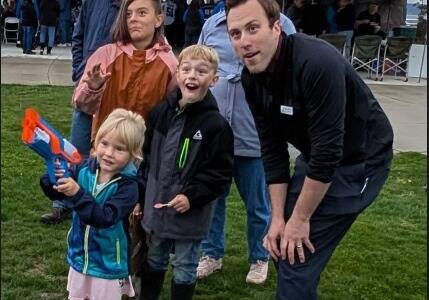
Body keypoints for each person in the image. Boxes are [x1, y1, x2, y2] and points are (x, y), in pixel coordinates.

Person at [225, 0, 393, 299]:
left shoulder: (316, 62)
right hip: (317, 157)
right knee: (280, 245)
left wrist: (300, 220)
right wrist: (278, 219)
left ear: (276, 27)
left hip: (361, 159)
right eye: (235, 34)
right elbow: (272, 149)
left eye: (253, 28)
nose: (244, 42)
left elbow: (330, 152)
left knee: (295, 257)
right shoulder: (251, 77)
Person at [195, 9, 296, 284]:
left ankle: (259, 257)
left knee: (259, 204)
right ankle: (211, 254)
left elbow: (289, 72)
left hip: (254, 134)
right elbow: (200, 65)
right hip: (215, 136)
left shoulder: (280, 24)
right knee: (213, 200)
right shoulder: (211, 25)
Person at [134, 44, 234, 300]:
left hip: (190, 216)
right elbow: (146, 161)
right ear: (177, 74)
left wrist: (192, 196)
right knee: (154, 258)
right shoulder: (159, 114)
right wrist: (140, 197)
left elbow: (219, 175)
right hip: (157, 209)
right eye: (186, 69)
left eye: (201, 71)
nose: (192, 76)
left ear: (214, 79)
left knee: (185, 266)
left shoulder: (216, 126)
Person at [39, 108, 147, 300]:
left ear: (133, 154)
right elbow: (58, 193)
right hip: (80, 256)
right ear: (96, 142)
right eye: (104, 143)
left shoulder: (128, 187)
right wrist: (53, 177)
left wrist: (77, 194)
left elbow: (105, 217)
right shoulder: (83, 169)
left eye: (119, 149)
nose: (108, 153)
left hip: (108, 264)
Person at [40, 0, 122, 224]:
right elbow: (78, 37)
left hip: (116, 92)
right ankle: (63, 202)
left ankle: (98, 203)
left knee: (108, 151)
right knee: (73, 150)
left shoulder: (133, 5)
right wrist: (80, 73)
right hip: (88, 89)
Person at [72, 0, 178, 142]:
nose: (133, 18)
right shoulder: (105, 55)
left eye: (142, 13)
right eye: (128, 14)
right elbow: (82, 105)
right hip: (104, 150)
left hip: (143, 152)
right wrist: (92, 88)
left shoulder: (169, 63)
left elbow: (172, 111)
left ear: (158, 19)